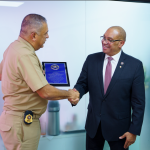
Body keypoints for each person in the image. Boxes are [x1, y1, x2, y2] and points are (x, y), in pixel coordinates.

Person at [0, 14, 79, 150]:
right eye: (45, 33)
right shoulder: (25, 54)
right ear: (34, 35)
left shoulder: (13, 47)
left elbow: (2, 75)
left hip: (14, 120)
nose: (47, 36)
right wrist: (69, 94)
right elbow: (45, 92)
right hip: (23, 123)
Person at [69, 26, 145, 150]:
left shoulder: (135, 65)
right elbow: (82, 84)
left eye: (109, 39)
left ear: (121, 43)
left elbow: (138, 102)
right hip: (94, 125)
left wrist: (134, 131)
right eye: (103, 38)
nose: (104, 42)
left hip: (120, 129)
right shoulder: (91, 60)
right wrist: (76, 94)